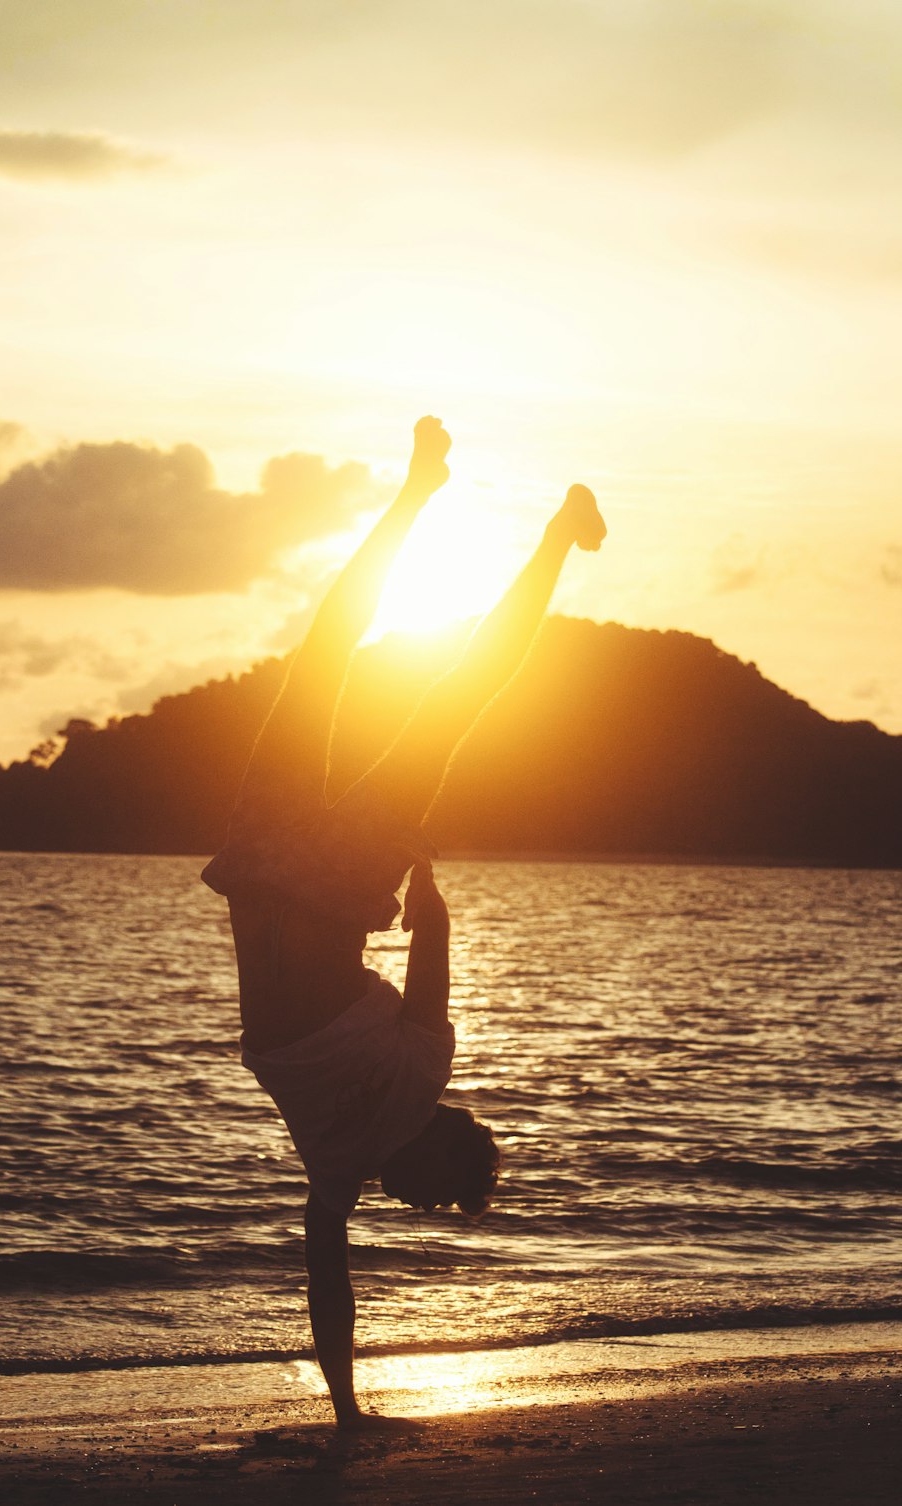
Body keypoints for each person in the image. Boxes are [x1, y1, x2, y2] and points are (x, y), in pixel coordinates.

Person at [202, 416, 605, 1429]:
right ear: (446, 1140)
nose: (420, 1209)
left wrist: (345, 1409)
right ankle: (526, 526)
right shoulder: (423, 1073)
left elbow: (325, 1281)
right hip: (319, 881)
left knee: (332, 659)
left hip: (274, 867)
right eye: (441, 1195)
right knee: (443, 691)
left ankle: (441, 495)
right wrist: (418, 876)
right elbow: (432, 944)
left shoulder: (341, 1167)